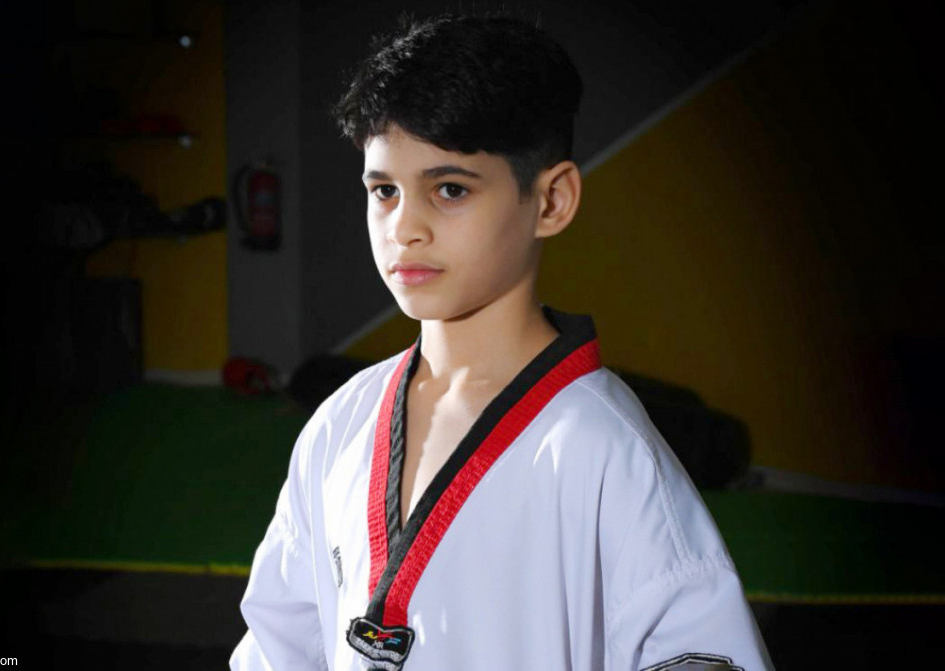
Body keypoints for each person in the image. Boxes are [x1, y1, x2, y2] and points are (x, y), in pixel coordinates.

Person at [231, 12, 772, 671]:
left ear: (552, 201)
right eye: (385, 191)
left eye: (449, 189)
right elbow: (277, 648)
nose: (404, 228)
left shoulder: (605, 453)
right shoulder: (340, 425)